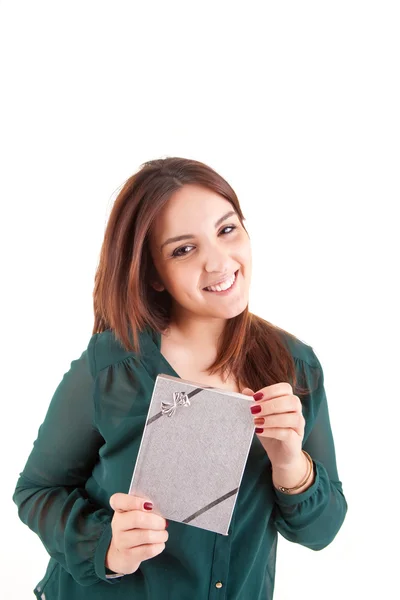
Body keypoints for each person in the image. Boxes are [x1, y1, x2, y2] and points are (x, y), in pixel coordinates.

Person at [13, 157, 348, 600]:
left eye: (227, 230)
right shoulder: (113, 367)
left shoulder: (293, 367)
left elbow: (322, 531)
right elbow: (37, 491)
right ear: (153, 274)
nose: (218, 262)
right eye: (183, 249)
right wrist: (106, 545)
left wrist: (290, 464)